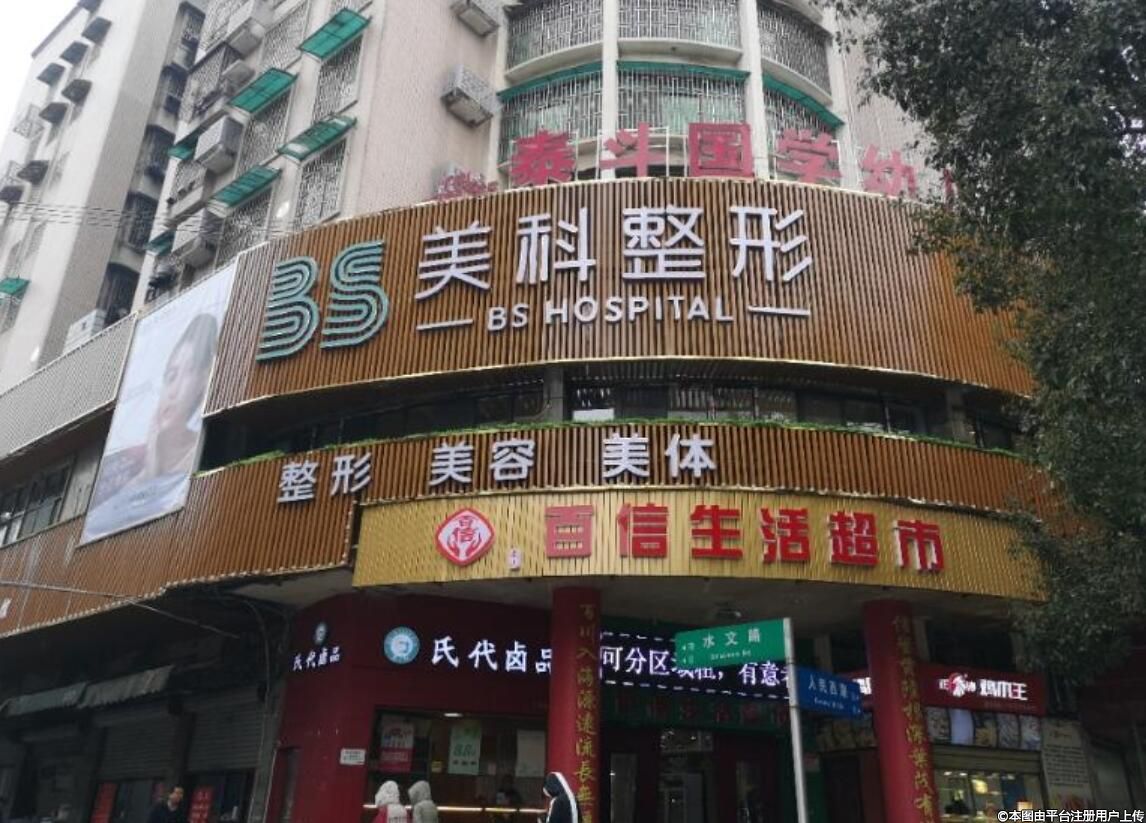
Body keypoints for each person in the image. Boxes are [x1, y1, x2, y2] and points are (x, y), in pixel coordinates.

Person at [83, 313, 220, 541]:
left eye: (187, 374)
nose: (173, 391)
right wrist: (150, 469)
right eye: (171, 375)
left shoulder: (198, 455)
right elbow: (101, 525)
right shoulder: (134, 460)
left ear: (203, 381)